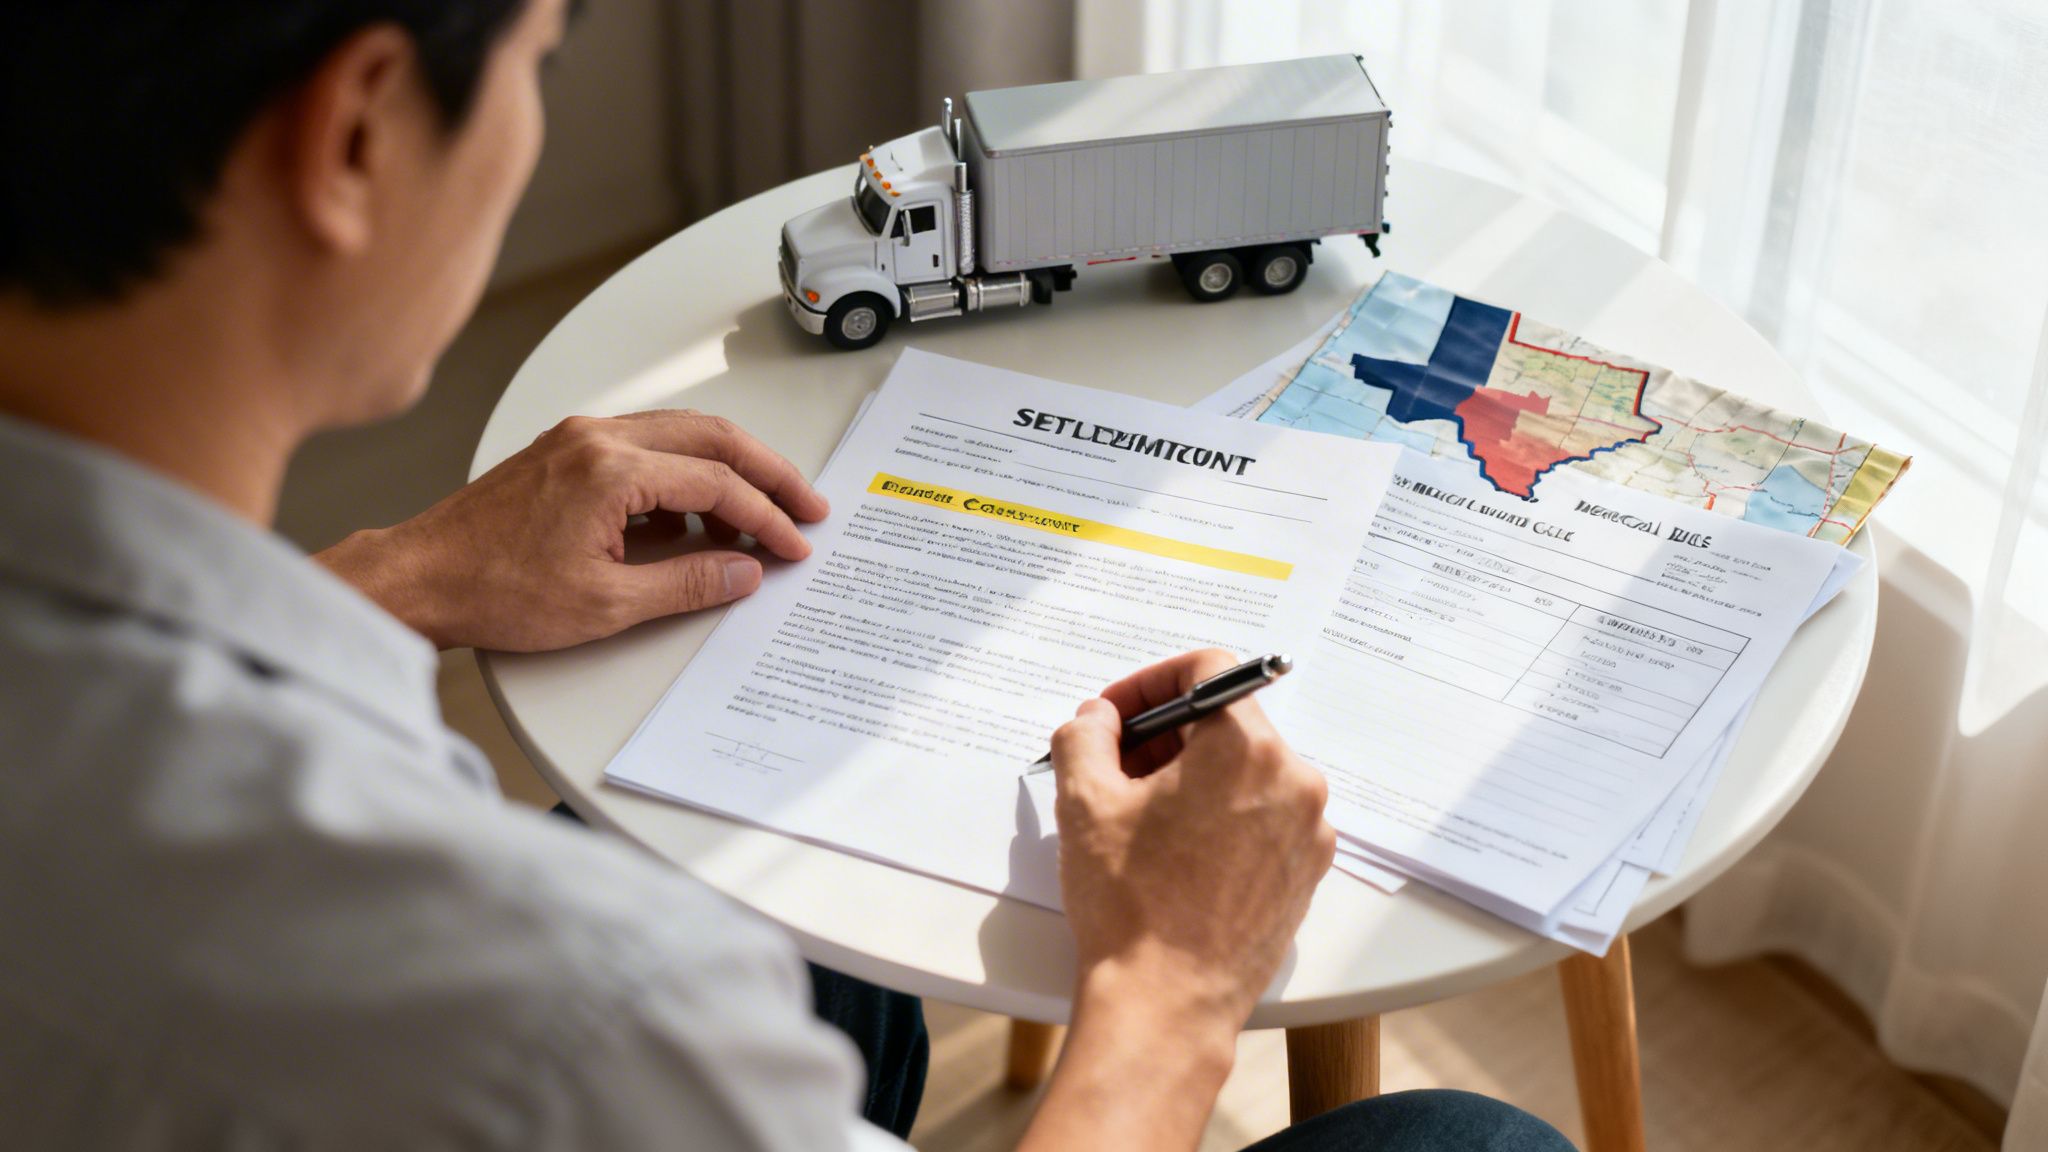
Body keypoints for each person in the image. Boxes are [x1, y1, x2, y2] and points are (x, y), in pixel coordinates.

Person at [0, 2, 1576, 1149]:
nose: (534, 117)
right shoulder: (590, 1022)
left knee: (756, 875)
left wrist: (395, 573)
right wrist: (1173, 981)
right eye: (544, 61)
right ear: (353, 135)